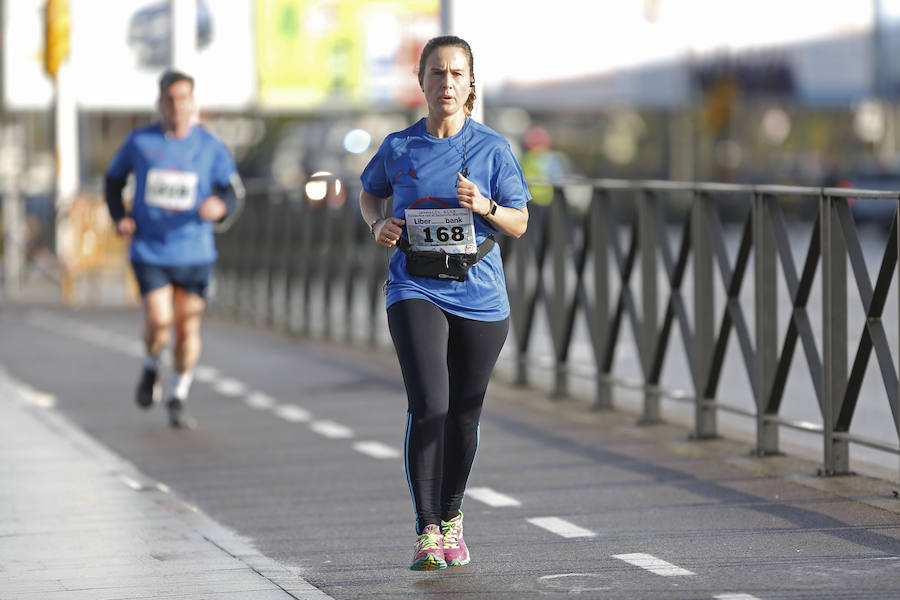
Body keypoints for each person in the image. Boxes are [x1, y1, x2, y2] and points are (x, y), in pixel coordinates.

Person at [359, 35, 530, 570]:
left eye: (457, 74)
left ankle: (452, 517)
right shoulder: (399, 146)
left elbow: (520, 223)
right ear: (422, 81)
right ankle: (427, 530)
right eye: (437, 73)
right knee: (430, 403)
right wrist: (377, 223)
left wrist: (485, 204)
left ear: (470, 82)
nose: (447, 83)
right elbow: (370, 192)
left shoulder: (493, 149)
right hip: (415, 284)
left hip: (479, 294)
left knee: (463, 415)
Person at [105, 69, 243, 429]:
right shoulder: (140, 142)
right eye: (170, 99)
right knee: (159, 322)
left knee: (187, 330)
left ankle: (178, 393)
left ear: (193, 103)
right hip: (150, 250)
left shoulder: (210, 146)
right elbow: (113, 180)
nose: (177, 106)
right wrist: (119, 215)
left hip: (195, 251)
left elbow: (232, 192)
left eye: (184, 99)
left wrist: (221, 207)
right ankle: (151, 366)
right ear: (160, 103)